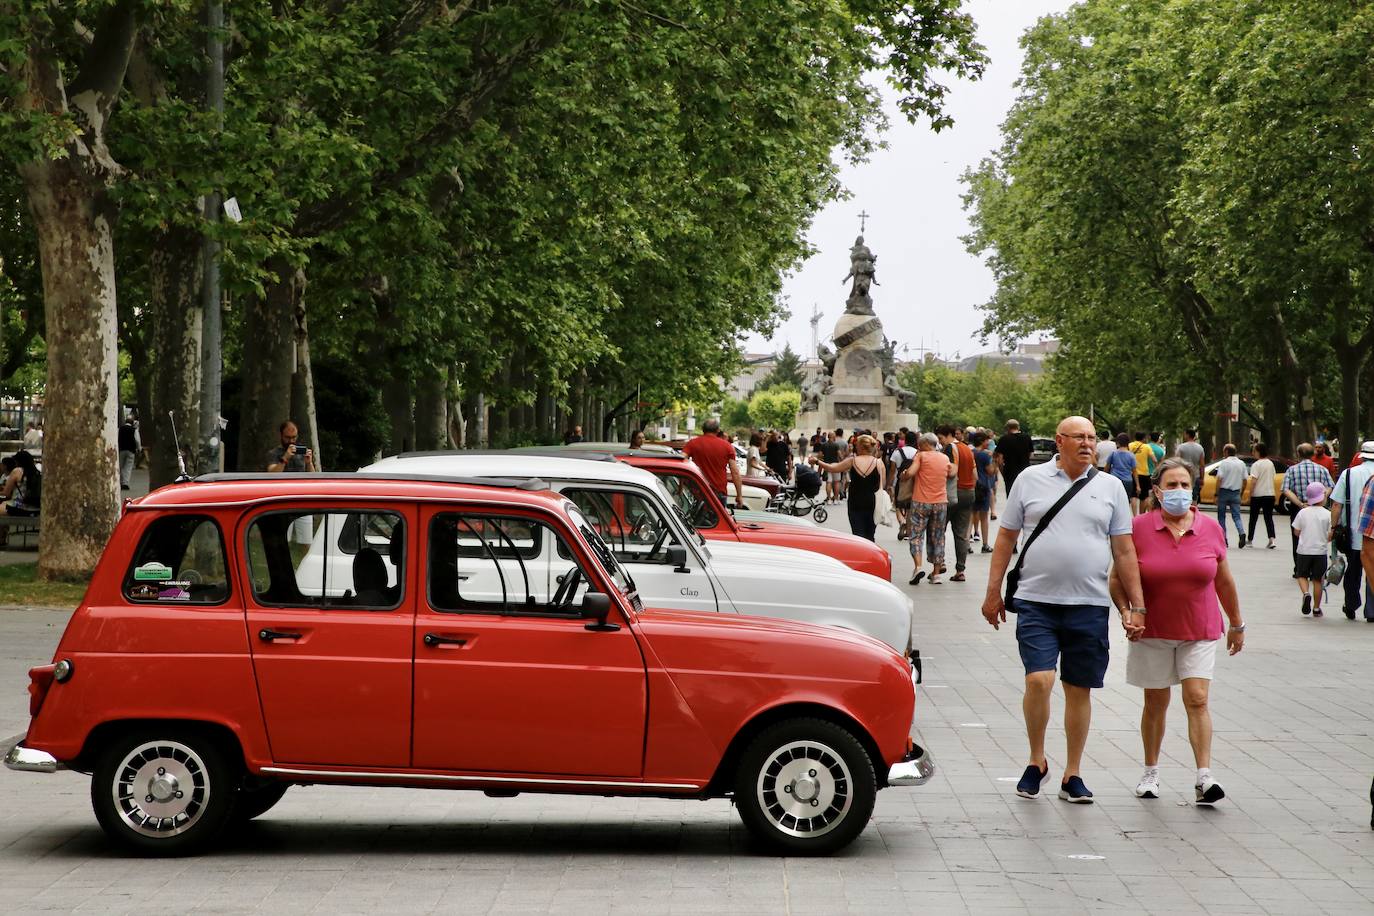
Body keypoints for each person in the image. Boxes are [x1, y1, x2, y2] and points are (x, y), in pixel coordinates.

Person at [980, 416, 1142, 804]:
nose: (1087, 444)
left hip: (1088, 603)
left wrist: (1137, 605)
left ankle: (1073, 773)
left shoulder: (1110, 487)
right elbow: (1005, 537)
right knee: (1039, 681)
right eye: (1079, 438)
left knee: (1078, 688)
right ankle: (1036, 760)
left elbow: (1124, 549)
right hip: (1037, 601)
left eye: (1092, 437)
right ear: (1060, 441)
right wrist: (992, 592)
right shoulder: (1030, 480)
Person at [1109, 458, 1244, 805]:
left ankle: (1204, 776)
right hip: (1151, 630)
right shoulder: (1137, 528)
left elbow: (1224, 580)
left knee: (1197, 698)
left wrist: (1236, 623)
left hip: (1198, 629)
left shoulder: (1210, 528)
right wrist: (1127, 612)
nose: (1179, 492)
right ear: (1156, 490)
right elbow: (1116, 578)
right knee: (1156, 701)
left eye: (1185, 485)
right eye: (1171, 485)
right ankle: (1151, 772)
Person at [1330, 440, 1374, 620]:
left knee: (1353, 571)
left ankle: (1351, 604)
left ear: (1361, 455)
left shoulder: (1348, 474)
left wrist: (1333, 527)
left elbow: (1336, 504)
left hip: (1353, 533)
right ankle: (1371, 610)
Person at [813, 434, 885, 541]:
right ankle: (870, 554)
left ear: (860, 446)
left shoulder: (852, 461)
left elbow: (833, 468)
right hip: (873, 502)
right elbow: (882, 485)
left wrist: (817, 461)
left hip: (855, 502)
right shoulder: (879, 463)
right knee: (870, 535)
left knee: (857, 534)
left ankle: (861, 554)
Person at [903, 432, 953, 584]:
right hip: (940, 503)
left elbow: (910, 473)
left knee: (916, 536)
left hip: (920, 502)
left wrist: (904, 474)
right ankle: (936, 574)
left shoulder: (921, 456)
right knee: (938, 537)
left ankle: (918, 567)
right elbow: (950, 474)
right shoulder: (945, 458)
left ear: (925, 444)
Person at [1282, 443, 1334, 577]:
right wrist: (1322, 497)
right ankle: (1317, 567)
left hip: (1299, 507)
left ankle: (1299, 568)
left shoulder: (1291, 470)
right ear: (1312, 454)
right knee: (1320, 534)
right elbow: (1330, 486)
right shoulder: (1322, 469)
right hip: (1320, 507)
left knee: (1297, 536)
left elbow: (1286, 490)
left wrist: (1300, 504)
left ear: (1298, 454)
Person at [1292, 481, 1333, 617]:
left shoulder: (1303, 513)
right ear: (1323, 497)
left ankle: (1306, 593)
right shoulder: (1328, 514)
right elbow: (1330, 535)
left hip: (1304, 550)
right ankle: (1316, 608)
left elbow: (1296, 531)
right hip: (1320, 552)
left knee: (1301, 575)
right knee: (1318, 580)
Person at [683, 418, 744, 508]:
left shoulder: (692, 444)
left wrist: (681, 487)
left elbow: (681, 461)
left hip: (698, 491)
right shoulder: (727, 446)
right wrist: (739, 495)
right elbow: (735, 472)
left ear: (703, 429)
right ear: (718, 430)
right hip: (718, 492)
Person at [949, 427, 977, 581]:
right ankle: (960, 570)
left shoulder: (948, 449)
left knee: (938, 529)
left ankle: (938, 566)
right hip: (968, 492)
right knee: (961, 534)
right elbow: (976, 475)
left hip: (953, 493)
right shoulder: (967, 449)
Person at [1210, 443, 1247, 547]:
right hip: (1236, 492)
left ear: (1226, 452)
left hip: (1224, 492)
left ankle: (1224, 539)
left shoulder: (1224, 463)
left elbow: (1219, 479)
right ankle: (1241, 533)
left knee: (1221, 516)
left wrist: (1216, 494)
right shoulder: (1241, 464)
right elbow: (1245, 480)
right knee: (1236, 516)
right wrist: (1241, 492)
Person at [1246, 442, 1278, 550]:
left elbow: (1254, 481)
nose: (1253, 453)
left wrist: (1250, 494)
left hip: (1258, 494)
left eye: (1254, 451)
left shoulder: (1256, 465)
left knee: (1253, 518)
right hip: (1269, 494)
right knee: (1268, 517)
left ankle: (1250, 540)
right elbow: (1273, 477)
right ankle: (1272, 539)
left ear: (1258, 451)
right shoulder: (1270, 463)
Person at [996, 419, 1033, 499]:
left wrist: (1003, 472)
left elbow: (1000, 460)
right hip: (1024, 471)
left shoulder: (1004, 439)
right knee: (1024, 496)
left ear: (1007, 428)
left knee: (1011, 497)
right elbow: (1030, 454)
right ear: (1018, 427)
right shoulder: (1027, 438)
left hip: (1010, 472)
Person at [891, 430, 918, 539]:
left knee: (898, 505)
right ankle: (908, 529)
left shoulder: (897, 452)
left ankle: (902, 521)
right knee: (910, 507)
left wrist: (888, 484)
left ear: (905, 440)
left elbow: (892, 470)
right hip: (913, 482)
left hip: (900, 482)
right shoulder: (918, 453)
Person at [0, 449, 41, 518]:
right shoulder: (36, 473)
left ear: (18, 461)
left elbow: (6, 493)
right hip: (35, 508)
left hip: (19, 507)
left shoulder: (17, 471)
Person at [972, 432, 996, 552]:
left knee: (971, 515)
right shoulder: (985, 456)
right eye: (987, 440)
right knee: (984, 517)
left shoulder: (970, 453)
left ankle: (966, 544)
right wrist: (994, 461)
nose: (988, 443)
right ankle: (985, 544)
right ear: (982, 441)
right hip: (983, 487)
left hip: (971, 487)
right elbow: (991, 471)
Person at [1107, 433, 1139, 509]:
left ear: (1118, 442)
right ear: (1128, 442)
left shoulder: (1113, 453)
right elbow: (1134, 471)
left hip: (1114, 479)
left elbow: (1107, 467)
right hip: (1127, 480)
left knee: (1113, 499)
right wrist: (1138, 485)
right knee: (1126, 501)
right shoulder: (1131, 455)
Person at [1128, 432, 1157, 515]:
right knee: (1144, 496)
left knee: (1133, 495)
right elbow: (1154, 460)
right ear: (1143, 438)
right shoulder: (1147, 447)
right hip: (1144, 473)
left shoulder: (1130, 445)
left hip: (1132, 473)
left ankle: (1134, 515)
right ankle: (1141, 514)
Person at [1175, 428, 1206, 503]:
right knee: (1194, 497)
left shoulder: (1181, 447)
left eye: (1185, 434)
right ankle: (1194, 509)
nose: (1184, 435)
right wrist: (1202, 478)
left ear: (1188, 435)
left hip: (1183, 474)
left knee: (1183, 495)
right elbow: (1202, 465)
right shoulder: (1200, 448)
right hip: (1196, 475)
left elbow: (1176, 461)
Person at [118, 410, 140, 491]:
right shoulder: (134, 430)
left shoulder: (120, 429)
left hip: (121, 450)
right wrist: (139, 448)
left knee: (120, 466)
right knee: (128, 467)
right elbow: (137, 440)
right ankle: (125, 483)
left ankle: (120, 481)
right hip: (131, 450)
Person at [818, 431, 843, 502]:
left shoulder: (824, 445)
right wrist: (842, 462)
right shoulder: (836, 445)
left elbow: (819, 455)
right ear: (833, 436)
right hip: (835, 465)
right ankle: (835, 499)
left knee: (828, 482)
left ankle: (828, 498)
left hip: (827, 465)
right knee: (836, 482)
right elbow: (840, 455)